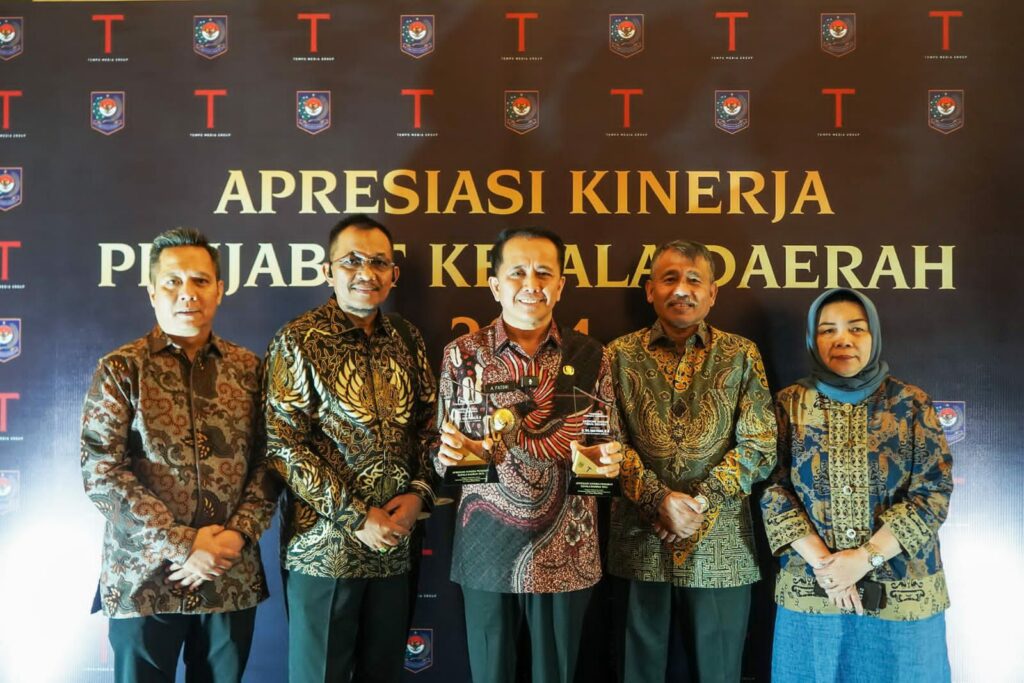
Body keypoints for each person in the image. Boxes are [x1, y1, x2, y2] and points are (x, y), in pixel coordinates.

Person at [80, 228, 277, 683]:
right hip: (143, 577)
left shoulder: (249, 369)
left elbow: (271, 462)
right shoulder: (121, 368)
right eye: (173, 281)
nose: (187, 292)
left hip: (228, 574)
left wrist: (237, 536)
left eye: (200, 281)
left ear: (219, 290)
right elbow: (102, 471)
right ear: (152, 292)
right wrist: (183, 544)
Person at [434, 227, 623, 683]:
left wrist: (610, 462)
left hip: (567, 550)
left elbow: (607, 442)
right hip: (485, 548)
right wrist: (448, 456)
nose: (531, 283)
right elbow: (441, 456)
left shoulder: (592, 355)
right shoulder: (462, 355)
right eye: (517, 272)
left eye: (544, 273)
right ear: (495, 285)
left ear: (560, 285)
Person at [264, 214, 437, 683]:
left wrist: (418, 494)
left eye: (379, 262)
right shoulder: (299, 340)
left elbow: (430, 427)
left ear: (394, 274)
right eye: (352, 261)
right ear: (328, 271)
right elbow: (282, 444)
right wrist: (358, 516)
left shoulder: (407, 338)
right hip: (323, 551)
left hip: (395, 549)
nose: (367, 273)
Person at [761, 287, 953, 681]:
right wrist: (828, 567)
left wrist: (865, 559)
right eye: (827, 330)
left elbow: (933, 492)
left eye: (856, 328)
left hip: (903, 596)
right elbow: (772, 488)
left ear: (874, 335)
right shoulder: (788, 404)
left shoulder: (911, 403)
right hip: (813, 590)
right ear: (813, 339)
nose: (843, 339)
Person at [606, 240, 777, 683]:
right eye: (670, 279)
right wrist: (658, 501)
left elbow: (760, 445)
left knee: (719, 672)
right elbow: (606, 442)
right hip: (640, 543)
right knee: (637, 672)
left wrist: (697, 504)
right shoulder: (617, 354)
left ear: (712, 293)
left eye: (694, 280)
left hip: (722, 548)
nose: (682, 289)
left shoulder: (741, 354)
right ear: (650, 290)